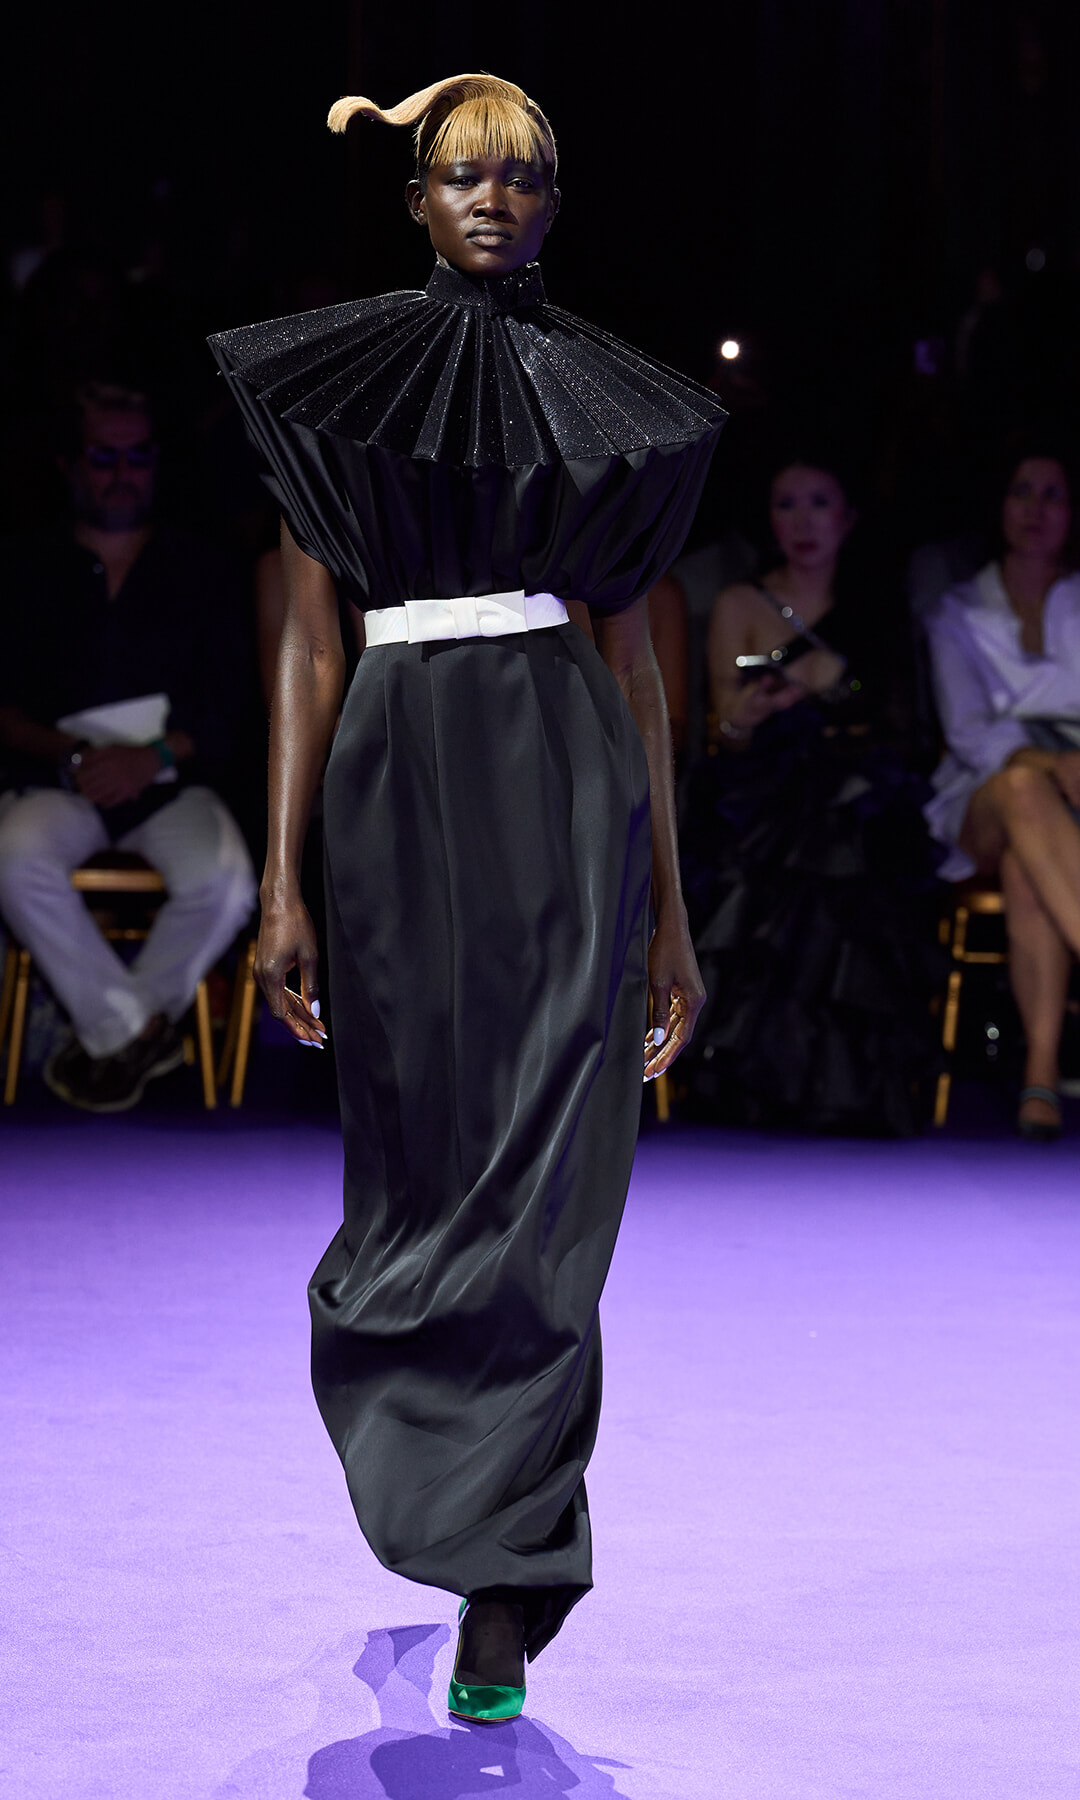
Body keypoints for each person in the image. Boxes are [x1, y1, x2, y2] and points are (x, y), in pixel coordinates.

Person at [210, 75, 724, 1721]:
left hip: (560, 774)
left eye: (525, 176)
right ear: (414, 197)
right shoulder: (337, 384)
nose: (495, 199)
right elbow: (300, 636)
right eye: (462, 173)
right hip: (394, 777)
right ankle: (440, 1482)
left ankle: (511, 1572)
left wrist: (670, 908)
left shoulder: (604, 397)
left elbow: (636, 662)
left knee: (554, 1170)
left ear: (554, 201)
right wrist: (280, 877)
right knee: (426, 1163)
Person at [0, 380, 256, 1111]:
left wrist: (152, 758)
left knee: (227, 881)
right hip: (52, 778)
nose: (123, 473)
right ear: (69, 465)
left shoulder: (204, 571)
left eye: (138, 456)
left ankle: (118, 1035)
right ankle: (136, 1032)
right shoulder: (16, 569)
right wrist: (72, 757)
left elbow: (229, 709)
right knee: (13, 859)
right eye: (104, 456)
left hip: (167, 779)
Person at [679, 454, 939, 1135]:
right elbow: (723, 733)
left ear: (848, 517)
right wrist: (758, 710)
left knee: (853, 840)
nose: (802, 521)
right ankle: (756, 1079)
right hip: (763, 786)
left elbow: (902, 722)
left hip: (856, 785)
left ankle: (851, 1083)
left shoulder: (877, 607)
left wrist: (837, 685)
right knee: (779, 845)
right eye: (786, 504)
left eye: (818, 503)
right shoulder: (742, 601)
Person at [924, 446, 1080, 1140]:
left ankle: (1039, 1077)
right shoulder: (957, 610)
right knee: (1020, 790)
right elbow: (966, 732)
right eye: (1024, 491)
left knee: (1029, 868)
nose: (1036, 509)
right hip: (984, 792)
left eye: (1053, 494)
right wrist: (1047, 764)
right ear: (1000, 504)